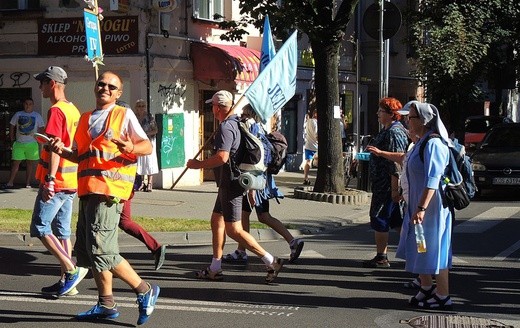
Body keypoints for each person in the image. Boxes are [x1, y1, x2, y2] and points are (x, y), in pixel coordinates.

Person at [50, 71, 160, 324]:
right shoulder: (86, 118)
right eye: (102, 84)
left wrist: (130, 147)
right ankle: (105, 303)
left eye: (112, 87)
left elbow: (147, 146)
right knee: (88, 252)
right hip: (88, 190)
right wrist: (61, 150)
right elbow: (80, 156)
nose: (106, 88)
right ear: (95, 86)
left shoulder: (123, 114)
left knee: (102, 250)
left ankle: (144, 289)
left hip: (109, 191)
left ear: (118, 93)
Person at [186, 90, 283, 283]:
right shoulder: (235, 123)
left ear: (218, 107)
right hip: (228, 184)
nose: (211, 109)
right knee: (216, 220)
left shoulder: (227, 128)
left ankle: (271, 261)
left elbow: (223, 157)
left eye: (212, 105)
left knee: (234, 230)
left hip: (231, 185)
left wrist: (198, 165)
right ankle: (215, 267)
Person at [29, 66, 86, 297]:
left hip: (58, 180)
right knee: (62, 231)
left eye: (42, 82)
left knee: (40, 227)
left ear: (52, 84)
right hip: (71, 180)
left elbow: (54, 149)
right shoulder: (73, 109)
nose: (40, 87)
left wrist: (50, 180)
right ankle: (68, 282)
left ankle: (71, 270)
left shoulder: (56, 110)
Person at [223, 105, 304, 264]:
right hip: (262, 180)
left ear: (249, 114)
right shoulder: (259, 128)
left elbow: (254, 157)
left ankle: (243, 251)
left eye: (244, 112)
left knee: (256, 216)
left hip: (254, 180)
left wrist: (252, 188)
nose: (241, 115)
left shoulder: (251, 128)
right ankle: (291, 242)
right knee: (257, 215)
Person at [395, 100, 453, 310]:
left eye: (410, 117)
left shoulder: (434, 144)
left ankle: (443, 295)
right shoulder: (421, 142)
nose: (406, 121)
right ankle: (427, 286)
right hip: (418, 207)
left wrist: (421, 208)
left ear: (423, 120)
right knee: (421, 247)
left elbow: (433, 179)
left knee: (435, 249)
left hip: (431, 209)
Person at [115, 100, 167, 271]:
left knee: (107, 225)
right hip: (121, 185)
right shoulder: (124, 131)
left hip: (119, 186)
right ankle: (155, 247)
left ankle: (108, 265)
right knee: (124, 222)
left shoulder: (125, 134)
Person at [363, 97, 409, 268]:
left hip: (388, 186)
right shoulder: (389, 129)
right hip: (384, 184)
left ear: (391, 114)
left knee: (380, 218)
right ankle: (415, 253)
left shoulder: (394, 132)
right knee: (397, 221)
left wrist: (395, 190)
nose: (377, 114)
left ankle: (383, 257)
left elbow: (397, 162)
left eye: (381, 111)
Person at [2, 97, 45, 188]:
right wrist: (12, 138)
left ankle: (28, 183)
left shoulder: (37, 115)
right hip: (19, 143)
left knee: (30, 164)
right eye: (26, 104)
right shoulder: (18, 114)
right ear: (23, 104)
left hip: (32, 144)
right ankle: (10, 182)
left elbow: (42, 128)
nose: (28, 106)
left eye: (30, 104)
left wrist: (39, 139)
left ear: (33, 105)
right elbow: (12, 125)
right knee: (15, 163)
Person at [133, 99, 159, 192]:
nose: (141, 108)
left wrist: (146, 134)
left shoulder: (149, 117)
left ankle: (149, 183)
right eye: (139, 106)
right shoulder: (134, 117)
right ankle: (142, 183)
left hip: (149, 141)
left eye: (143, 106)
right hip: (138, 142)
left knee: (149, 161)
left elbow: (155, 130)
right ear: (136, 108)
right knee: (140, 162)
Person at [303, 110, 318, 185]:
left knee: (308, 161)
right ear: (315, 114)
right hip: (316, 146)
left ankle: (306, 177)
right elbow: (317, 135)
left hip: (308, 145)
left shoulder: (308, 121)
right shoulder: (315, 123)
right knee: (319, 162)